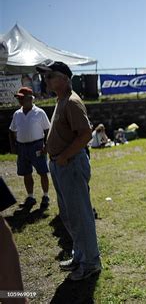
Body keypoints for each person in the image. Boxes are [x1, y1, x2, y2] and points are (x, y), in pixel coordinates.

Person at [37, 61, 101, 281]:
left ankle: (91, 263)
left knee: (80, 216)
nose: (45, 80)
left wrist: (63, 156)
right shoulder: (61, 100)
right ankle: (80, 256)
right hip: (61, 164)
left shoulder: (71, 102)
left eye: (50, 76)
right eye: (45, 78)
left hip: (70, 165)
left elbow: (85, 134)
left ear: (64, 78)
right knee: (70, 215)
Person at [8, 86, 51, 209]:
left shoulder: (39, 112)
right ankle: (31, 197)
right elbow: (11, 131)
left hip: (37, 145)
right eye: (19, 99)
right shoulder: (17, 114)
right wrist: (13, 146)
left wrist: (46, 145)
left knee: (42, 171)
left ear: (30, 99)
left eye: (22, 98)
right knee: (26, 173)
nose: (20, 101)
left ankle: (45, 196)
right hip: (22, 147)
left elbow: (48, 130)